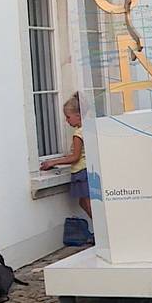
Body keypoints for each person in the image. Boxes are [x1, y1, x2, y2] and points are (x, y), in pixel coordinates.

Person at [39, 93, 92, 221]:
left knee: (89, 205)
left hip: (81, 172)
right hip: (84, 170)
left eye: (68, 117)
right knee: (84, 203)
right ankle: (100, 230)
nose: (66, 120)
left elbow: (75, 157)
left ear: (78, 116)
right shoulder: (87, 129)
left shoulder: (78, 134)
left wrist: (52, 162)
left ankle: (101, 232)